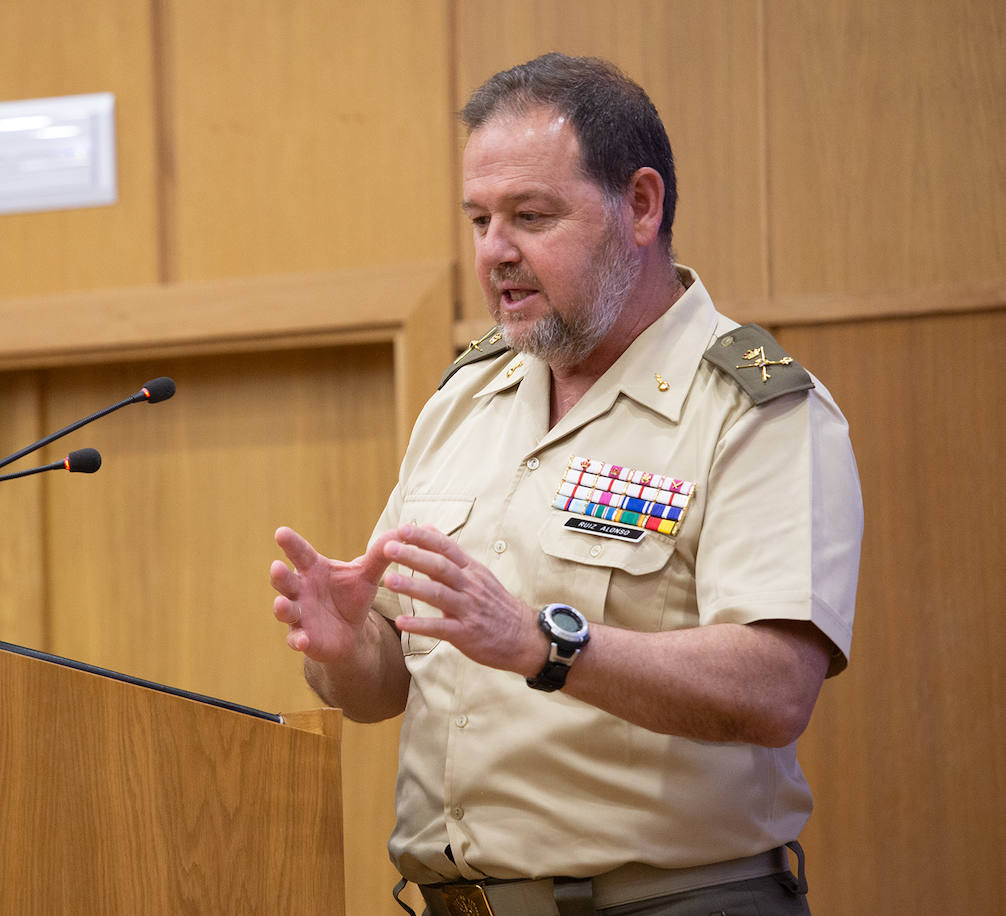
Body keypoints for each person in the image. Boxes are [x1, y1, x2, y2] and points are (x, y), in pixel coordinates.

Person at [269, 53, 862, 916]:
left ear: (642, 206)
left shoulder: (753, 409)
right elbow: (390, 681)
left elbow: (774, 687)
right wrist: (344, 648)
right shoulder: (465, 398)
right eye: (479, 220)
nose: (495, 252)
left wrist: (544, 644)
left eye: (531, 216)